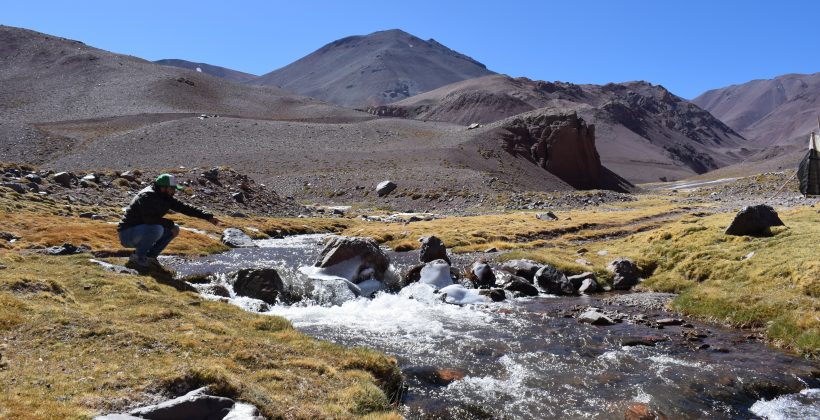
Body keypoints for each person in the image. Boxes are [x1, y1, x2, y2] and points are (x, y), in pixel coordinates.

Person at [118, 173, 219, 272]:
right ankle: (138, 258)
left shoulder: (165, 197)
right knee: (157, 229)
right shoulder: (147, 196)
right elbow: (150, 219)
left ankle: (150, 258)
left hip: (141, 231)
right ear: (163, 188)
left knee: (174, 229)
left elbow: (185, 208)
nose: (174, 191)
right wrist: (170, 224)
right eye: (172, 189)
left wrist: (207, 216)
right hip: (127, 234)